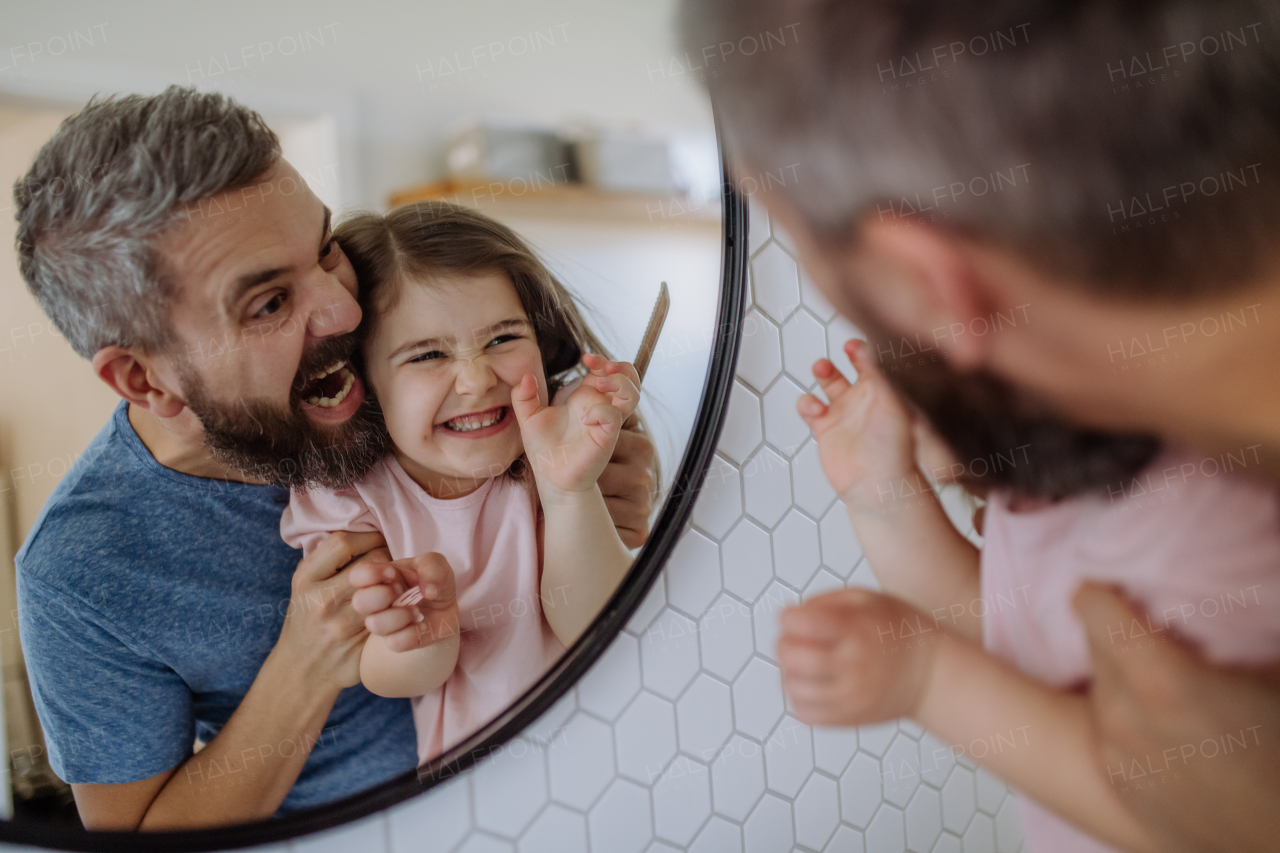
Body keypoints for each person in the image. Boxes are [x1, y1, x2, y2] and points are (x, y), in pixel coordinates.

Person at [679, 0, 1280, 849]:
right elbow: (1020, 632)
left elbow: (1159, 797)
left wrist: (927, 678)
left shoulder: (1219, 530)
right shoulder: (1090, 470)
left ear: (930, 283)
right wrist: (888, 498)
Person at [11, 87, 655, 831]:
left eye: (322, 249)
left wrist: (610, 489)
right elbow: (138, 842)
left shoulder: (386, 374)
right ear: (144, 379)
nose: (345, 311)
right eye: (269, 304)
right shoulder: (82, 572)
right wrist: (306, 664)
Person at [790, 337, 1280, 852]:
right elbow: (1000, 629)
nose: (892, 380)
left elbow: (1187, 807)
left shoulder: (1202, 521)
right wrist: (878, 492)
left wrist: (925, 679)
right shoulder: (1028, 503)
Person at [279, 203, 640, 762]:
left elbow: (601, 624)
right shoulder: (350, 500)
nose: (476, 380)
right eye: (427, 355)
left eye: (502, 340)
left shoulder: (561, 436)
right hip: (487, 793)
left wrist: (570, 491)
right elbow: (385, 674)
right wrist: (422, 633)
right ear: (365, 384)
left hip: (632, 740)